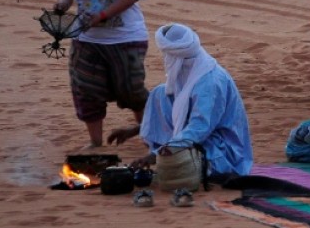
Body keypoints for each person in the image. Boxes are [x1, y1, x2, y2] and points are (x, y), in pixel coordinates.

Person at [107, 23, 253, 188]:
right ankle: (170, 151)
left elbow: (199, 129)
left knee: (183, 165)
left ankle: (172, 154)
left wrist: (156, 156)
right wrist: (134, 130)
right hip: (200, 137)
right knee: (160, 93)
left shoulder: (209, 83)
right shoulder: (190, 72)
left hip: (223, 150)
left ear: (175, 56)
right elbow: (181, 110)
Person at [54, 0, 149, 149]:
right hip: (86, 38)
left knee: (131, 91)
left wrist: (102, 15)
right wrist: (63, 4)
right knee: (86, 89)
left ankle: (151, 136)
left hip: (125, 37)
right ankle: (95, 142)